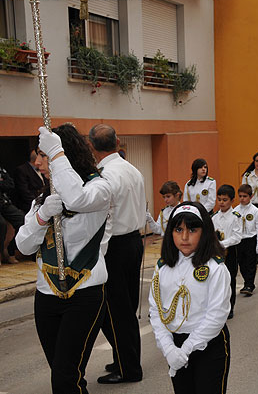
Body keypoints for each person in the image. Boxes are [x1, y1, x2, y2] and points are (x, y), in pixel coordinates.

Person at [16, 124, 112, 394]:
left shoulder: (99, 188)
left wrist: (56, 150)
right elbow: (23, 245)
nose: (39, 162)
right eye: (40, 155)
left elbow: (77, 198)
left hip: (84, 293)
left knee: (64, 377)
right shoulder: (41, 200)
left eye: (44, 155)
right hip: (46, 295)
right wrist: (42, 216)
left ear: (64, 155)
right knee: (66, 374)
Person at [148, 202, 231, 394]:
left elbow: (216, 316)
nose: (184, 237)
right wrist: (169, 348)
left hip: (207, 345)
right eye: (178, 230)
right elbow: (156, 310)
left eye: (192, 230)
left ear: (204, 232)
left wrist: (185, 350)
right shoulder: (162, 267)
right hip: (174, 345)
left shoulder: (215, 268)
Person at [88, 124, 146, 384]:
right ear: (118, 141)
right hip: (134, 240)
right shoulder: (131, 168)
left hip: (116, 245)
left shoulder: (106, 175)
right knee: (126, 308)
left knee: (115, 310)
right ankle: (125, 357)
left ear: (92, 147)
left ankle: (129, 368)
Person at [212, 184, 242, 318]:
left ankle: (230, 306)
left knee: (230, 279)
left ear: (232, 201)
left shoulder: (235, 216)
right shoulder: (214, 217)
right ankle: (218, 305)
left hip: (230, 251)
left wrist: (222, 244)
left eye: (225, 200)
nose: (221, 203)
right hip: (216, 253)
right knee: (217, 280)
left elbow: (237, 236)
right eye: (219, 199)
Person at [234, 184, 258, 296]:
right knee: (242, 264)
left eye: (245, 196)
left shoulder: (255, 211)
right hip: (239, 240)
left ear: (251, 197)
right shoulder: (235, 211)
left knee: (251, 263)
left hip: (251, 239)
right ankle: (247, 281)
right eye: (240, 196)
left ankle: (249, 284)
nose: (242, 198)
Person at [0, 165, 25, 264]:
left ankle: (11, 251)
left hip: (3, 202)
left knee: (22, 220)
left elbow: (10, 184)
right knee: (1, 224)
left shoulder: (1, 169)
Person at [13, 149, 45, 213]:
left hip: (42, 202)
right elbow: (24, 191)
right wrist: (37, 204)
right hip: (29, 205)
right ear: (37, 160)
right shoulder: (22, 170)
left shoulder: (44, 169)